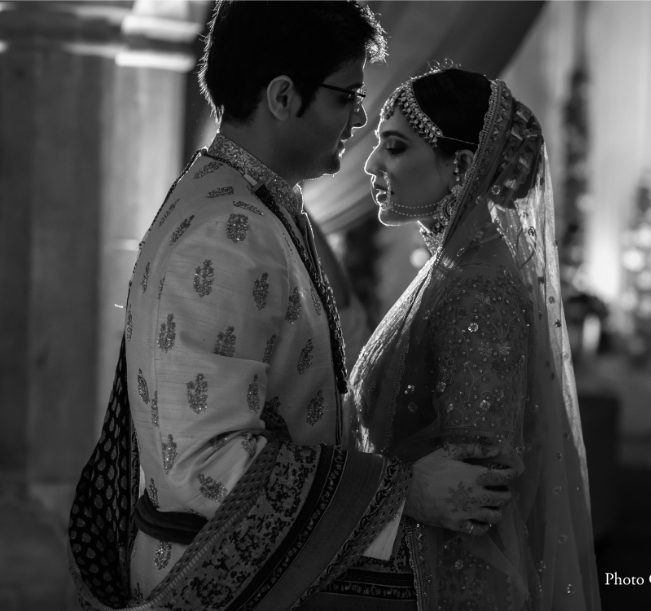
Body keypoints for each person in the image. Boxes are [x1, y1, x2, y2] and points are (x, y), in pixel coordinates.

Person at [67, 4, 515, 610]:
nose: (359, 118)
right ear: (282, 96)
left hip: (253, 558)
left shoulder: (249, 200)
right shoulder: (227, 232)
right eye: (345, 96)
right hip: (218, 576)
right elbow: (205, 463)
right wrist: (400, 492)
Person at [351, 67, 601, 610]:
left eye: (395, 147)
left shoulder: (479, 287)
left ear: (461, 166)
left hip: (436, 581)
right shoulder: (452, 268)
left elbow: (475, 490)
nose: (371, 165)